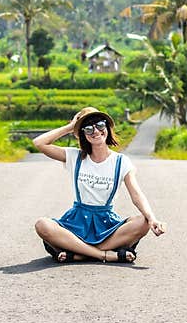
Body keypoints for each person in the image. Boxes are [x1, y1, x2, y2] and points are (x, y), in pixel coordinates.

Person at [32, 106, 167, 264]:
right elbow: (39, 143)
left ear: (107, 128)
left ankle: (80, 254)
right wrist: (71, 127)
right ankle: (104, 254)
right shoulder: (74, 156)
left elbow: (136, 194)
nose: (95, 131)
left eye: (100, 125)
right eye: (88, 128)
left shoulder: (121, 161)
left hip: (106, 224)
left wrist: (152, 219)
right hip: (76, 222)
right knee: (43, 225)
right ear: (83, 134)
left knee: (143, 222)